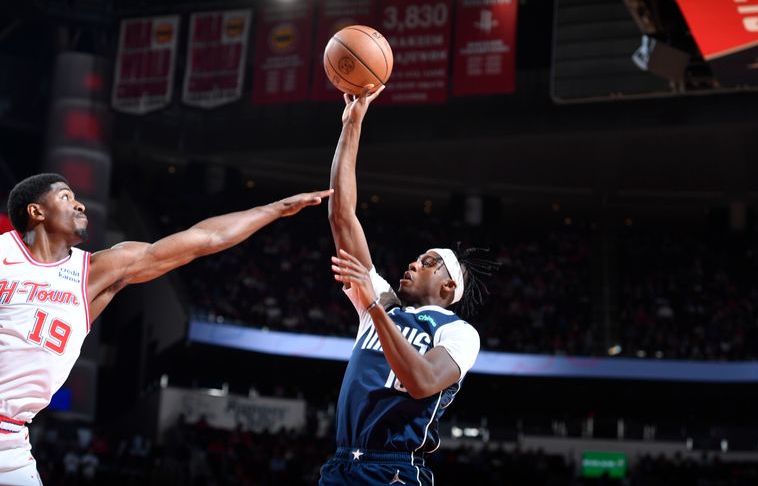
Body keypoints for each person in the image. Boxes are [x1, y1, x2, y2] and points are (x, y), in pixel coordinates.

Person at [0, 173, 332, 485]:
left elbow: (203, 239)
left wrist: (275, 209)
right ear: (36, 211)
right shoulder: (4, 254)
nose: (79, 204)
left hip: (12, 442)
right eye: (65, 197)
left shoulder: (94, 272)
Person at [320, 86, 498, 486]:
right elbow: (342, 217)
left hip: (393, 469)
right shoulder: (385, 303)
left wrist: (375, 310)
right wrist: (352, 126)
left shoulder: (458, 333)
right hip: (340, 465)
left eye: (430, 262)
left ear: (449, 288)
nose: (415, 263)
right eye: (418, 257)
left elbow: (420, 381)